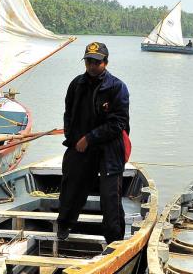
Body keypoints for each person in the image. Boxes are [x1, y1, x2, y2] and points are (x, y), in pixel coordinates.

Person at [57, 42, 130, 244]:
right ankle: (64, 225)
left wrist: (90, 138)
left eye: (96, 62)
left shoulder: (117, 87)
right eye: (88, 61)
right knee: (72, 186)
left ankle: (114, 239)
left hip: (109, 147)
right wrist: (71, 138)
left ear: (105, 63)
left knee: (110, 197)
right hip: (80, 145)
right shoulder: (76, 84)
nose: (91, 65)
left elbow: (118, 123)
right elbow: (68, 113)